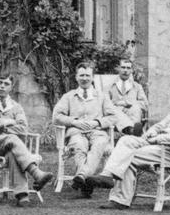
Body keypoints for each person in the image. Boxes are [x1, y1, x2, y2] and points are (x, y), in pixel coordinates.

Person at [86, 73, 170, 209]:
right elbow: (162, 124)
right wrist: (152, 131)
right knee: (126, 141)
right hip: (162, 147)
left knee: (128, 154)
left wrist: (157, 139)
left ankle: (119, 199)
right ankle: (107, 176)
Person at [0, 72, 53, 206]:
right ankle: (36, 172)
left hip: (7, 146)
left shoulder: (16, 106)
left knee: (13, 152)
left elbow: (23, 128)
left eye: (6, 84)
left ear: (11, 87)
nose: (2, 86)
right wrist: (8, 122)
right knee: (13, 138)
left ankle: (22, 196)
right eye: (0, 83)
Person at [52, 62, 128, 198]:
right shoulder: (69, 96)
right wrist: (74, 122)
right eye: (81, 75)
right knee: (79, 146)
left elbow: (113, 116)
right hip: (76, 132)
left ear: (92, 77)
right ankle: (86, 181)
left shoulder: (102, 96)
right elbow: (56, 116)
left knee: (99, 145)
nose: (84, 78)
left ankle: (82, 175)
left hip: (97, 132)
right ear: (76, 77)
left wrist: (97, 122)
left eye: (87, 75)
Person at [108, 59, 148, 136]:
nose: (125, 70)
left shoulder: (137, 87)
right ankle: (132, 131)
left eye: (128, 68)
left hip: (132, 114)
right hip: (116, 118)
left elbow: (145, 104)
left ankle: (131, 129)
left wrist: (131, 104)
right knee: (115, 110)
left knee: (135, 108)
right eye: (123, 67)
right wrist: (117, 104)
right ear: (118, 69)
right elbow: (104, 103)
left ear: (131, 70)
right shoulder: (110, 86)